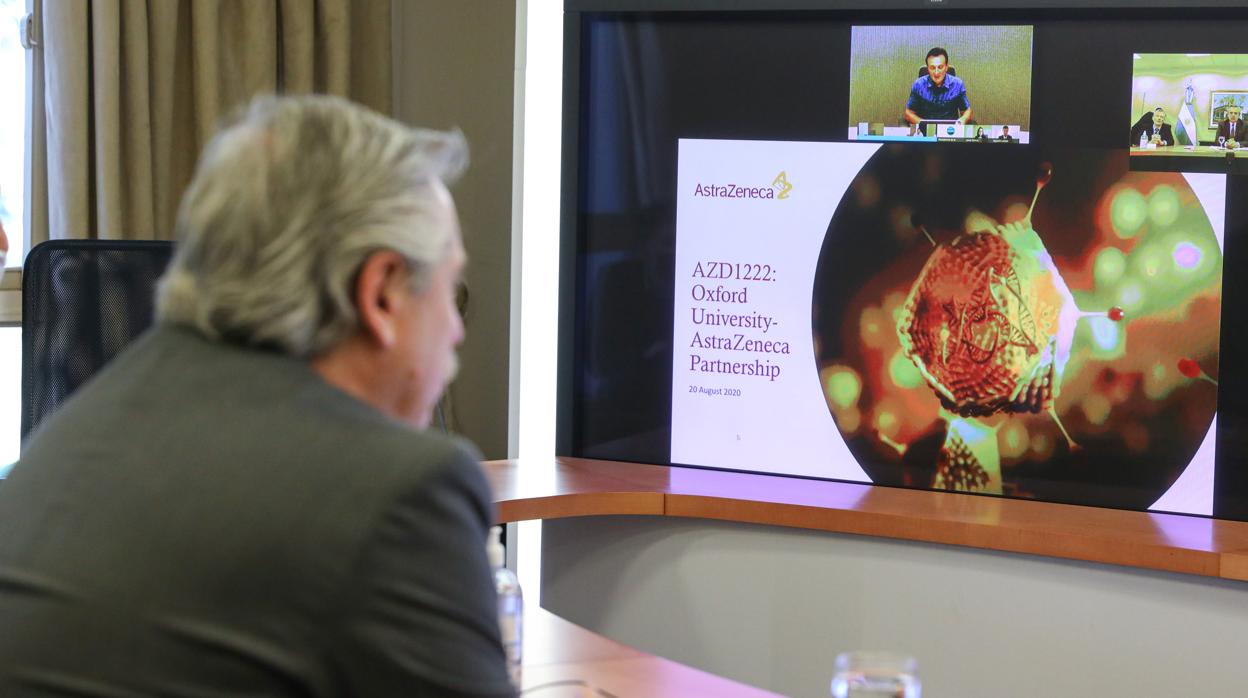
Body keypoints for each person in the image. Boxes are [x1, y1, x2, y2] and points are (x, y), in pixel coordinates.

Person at [0, 96, 515, 697]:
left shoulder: (80, 427)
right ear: (380, 294)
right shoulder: (399, 491)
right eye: (449, 289)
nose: (455, 330)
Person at [905, 47, 972, 126]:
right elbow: (908, 113)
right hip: (925, 133)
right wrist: (923, 124)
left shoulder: (958, 84)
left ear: (946, 67)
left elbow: (967, 112)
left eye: (940, 67)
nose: (936, 73)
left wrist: (961, 121)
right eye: (932, 68)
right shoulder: (918, 85)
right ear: (928, 69)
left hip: (950, 132)